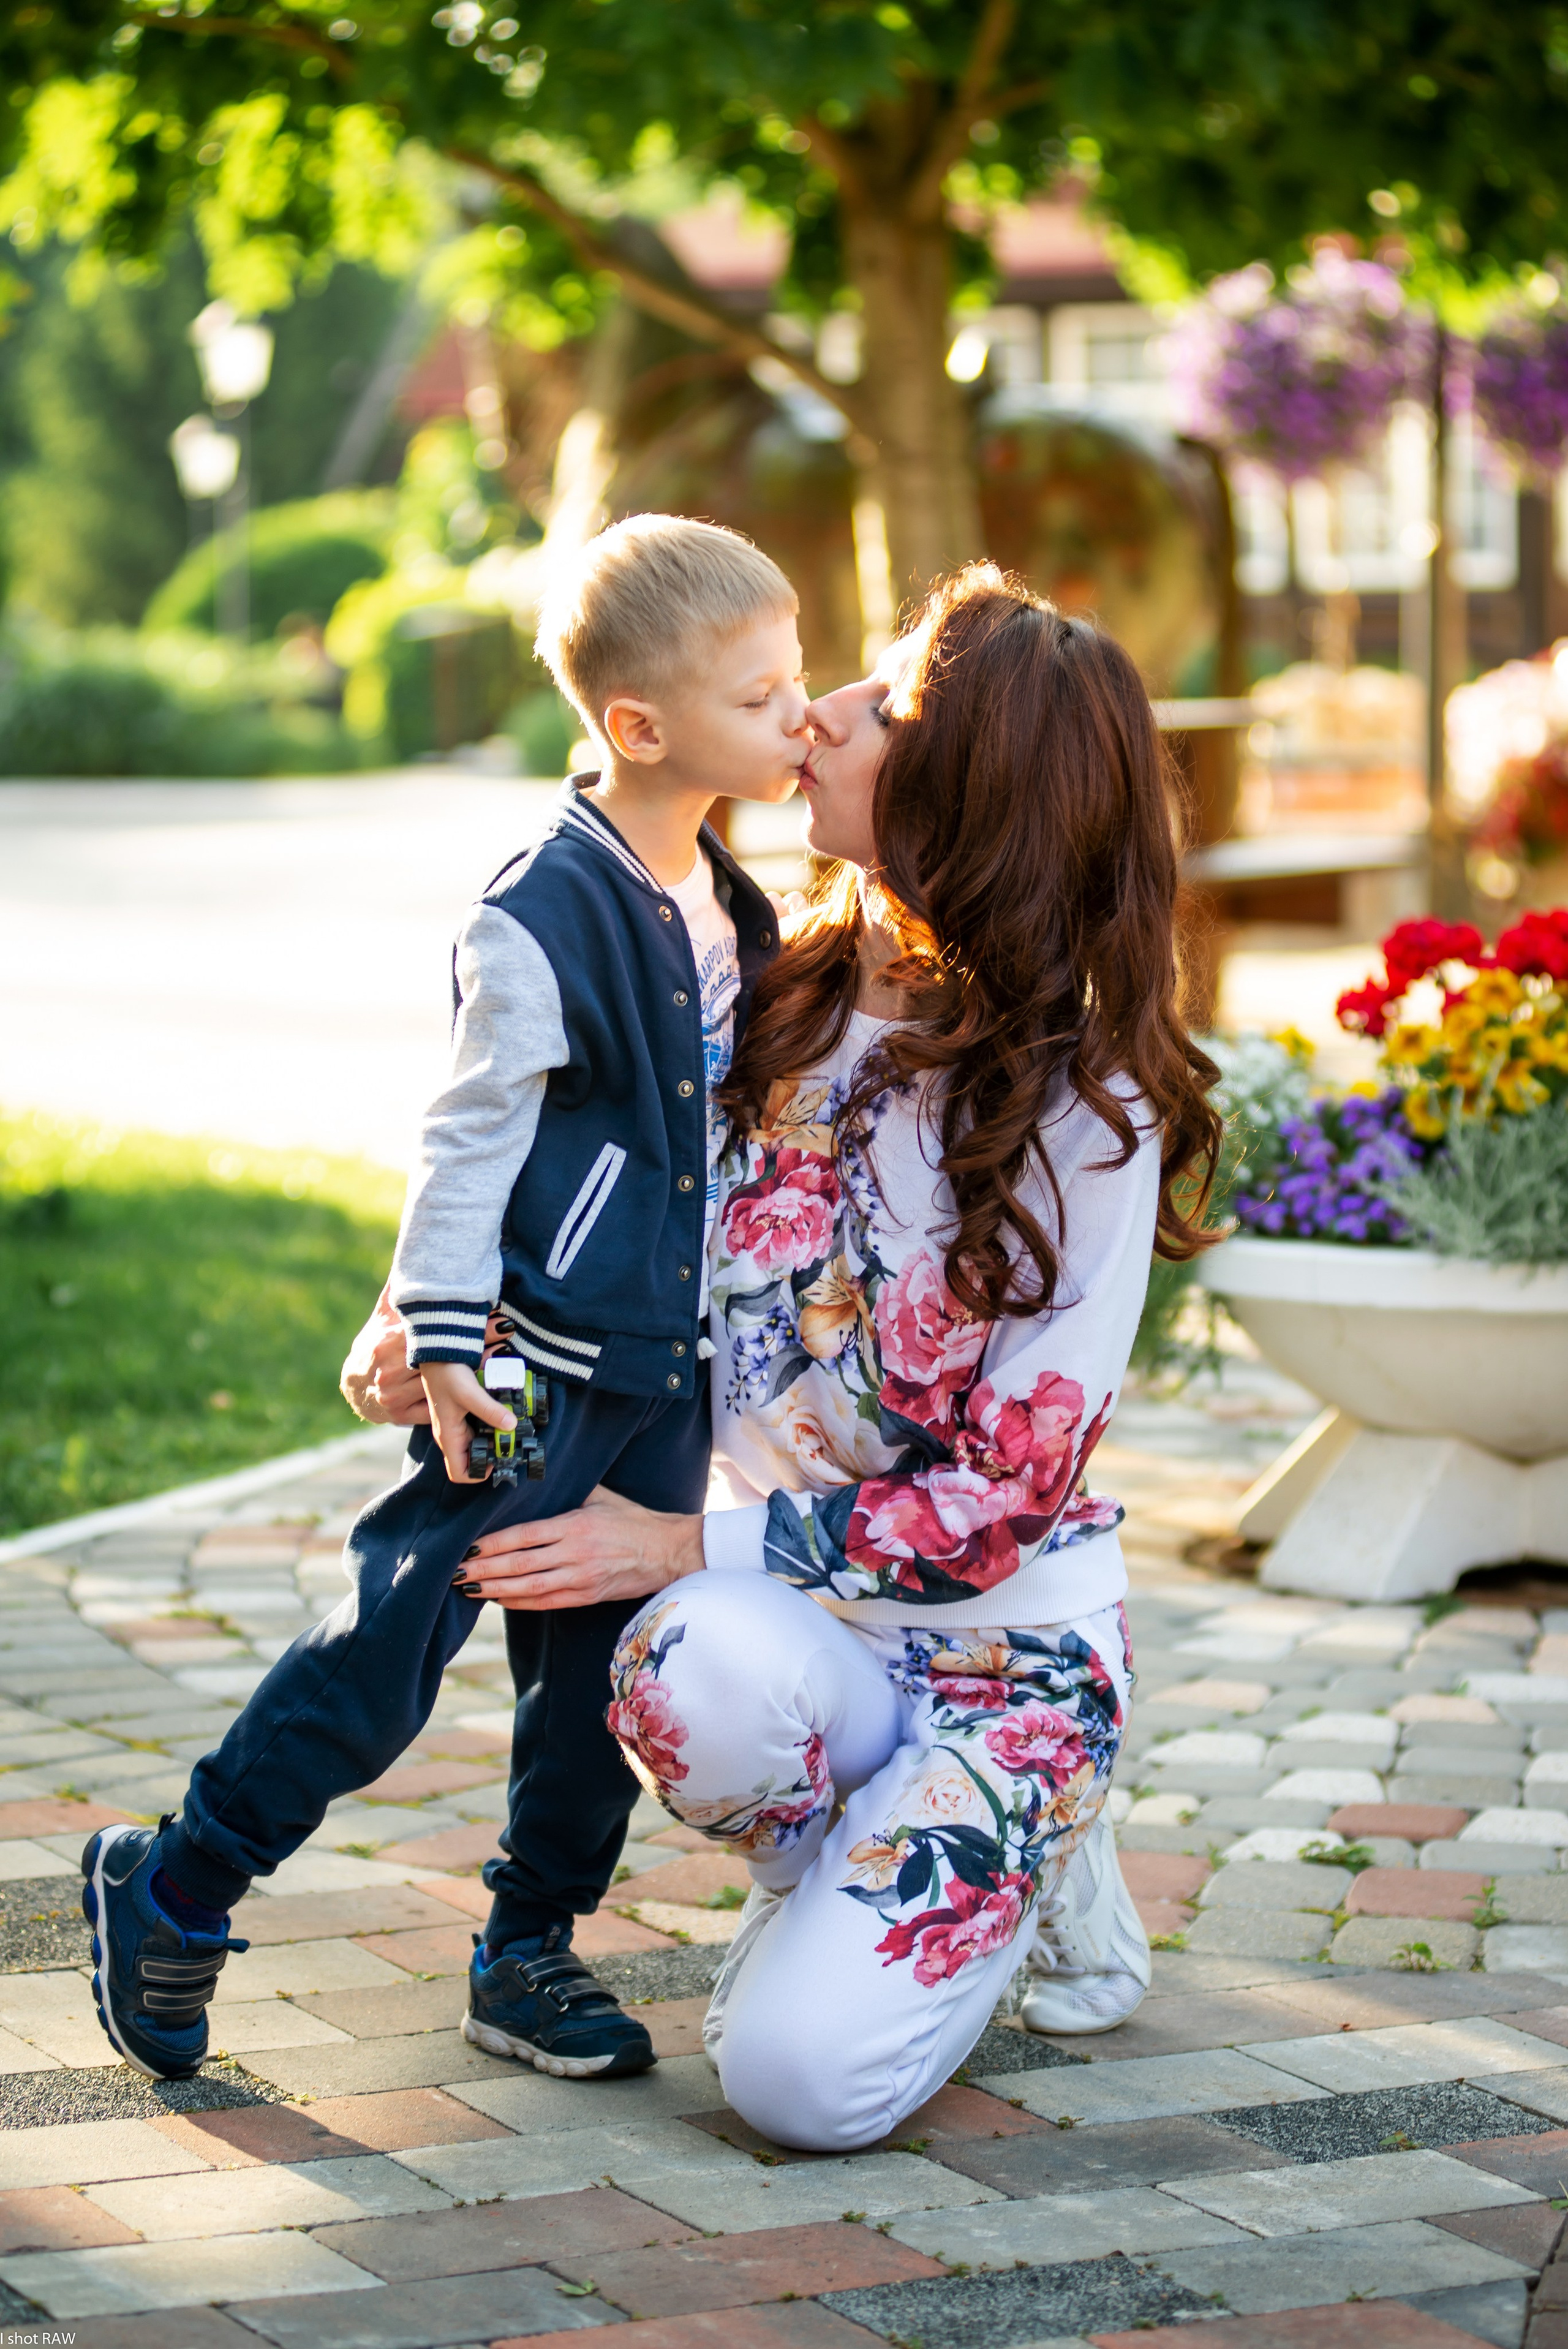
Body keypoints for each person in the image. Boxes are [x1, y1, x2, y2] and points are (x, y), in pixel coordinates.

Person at [453, 564, 1223, 2151]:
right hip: (801, 1629)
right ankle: (865, 1875)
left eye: (889, 705)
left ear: (970, 795)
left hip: (1008, 1648)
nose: (824, 714)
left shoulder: (1087, 1109)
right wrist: (434, 1319)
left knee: (794, 2086)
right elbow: (570, 1189)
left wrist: (676, 1538)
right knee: (672, 1666)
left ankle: (1025, 1845)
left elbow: (999, 1501)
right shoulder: (755, 996)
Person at [81, 515, 806, 2085]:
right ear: (642, 726)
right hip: (531, 1368)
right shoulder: (538, 911)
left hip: (657, 1372)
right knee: (386, 1650)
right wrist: (441, 1324)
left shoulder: (724, 899)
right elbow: (468, 1136)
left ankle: (526, 1951)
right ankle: (177, 1884)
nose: (796, 719)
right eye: (762, 697)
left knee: (593, 1680)